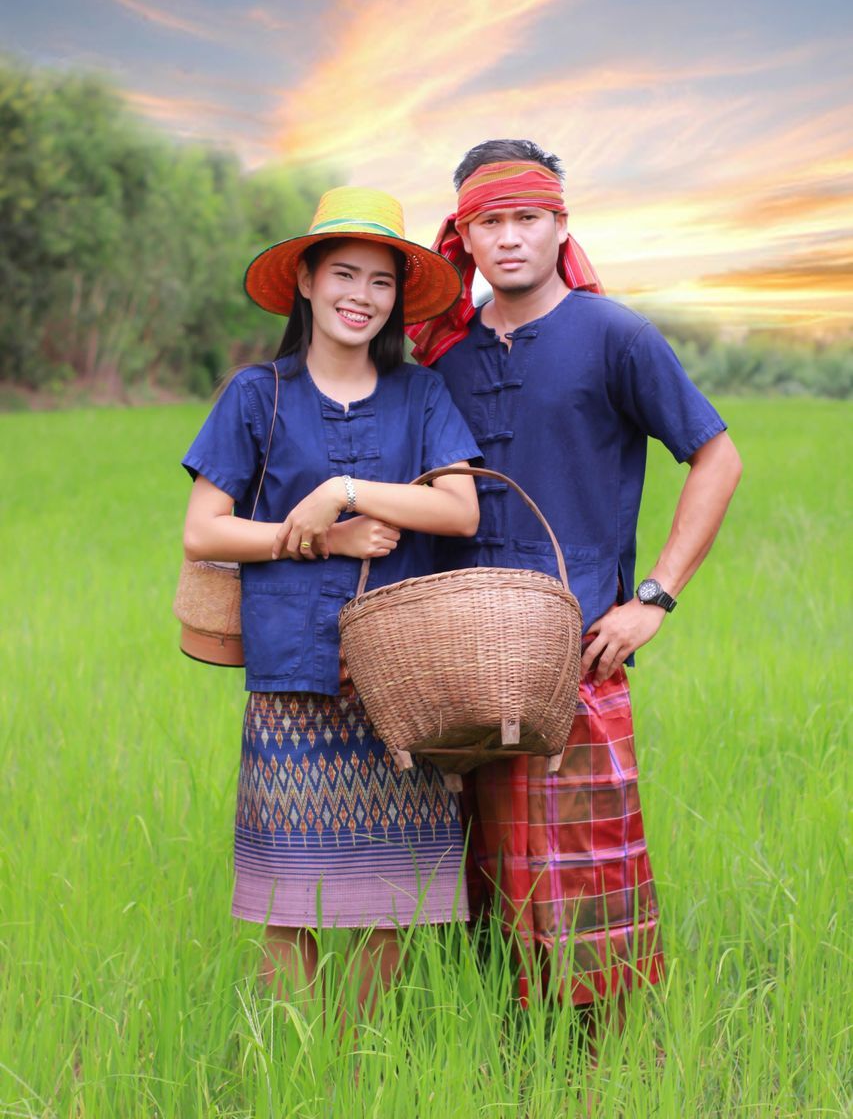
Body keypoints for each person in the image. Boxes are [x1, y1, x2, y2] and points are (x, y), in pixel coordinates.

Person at [408, 140, 742, 1031]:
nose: (509, 237)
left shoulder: (615, 335)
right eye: (490, 222)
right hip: (456, 661)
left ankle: (595, 1075)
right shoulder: (441, 357)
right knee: (473, 879)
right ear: (463, 235)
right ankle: (493, 1055)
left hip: (579, 654)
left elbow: (716, 455)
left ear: (560, 224)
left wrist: (655, 597)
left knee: (585, 883)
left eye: (527, 218)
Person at [181, 186, 480, 1007]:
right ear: (306, 281)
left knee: (387, 903)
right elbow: (204, 531)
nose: (361, 296)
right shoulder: (257, 394)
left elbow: (459, 509)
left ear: (397, 299)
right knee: (288, 897)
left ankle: (358, 1071)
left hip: (398, 682)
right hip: (289, 676)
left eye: (381, 282)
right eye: (343, 274)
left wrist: (349, 488)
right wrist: (312, 534)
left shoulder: (421, 395)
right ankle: (300, 1070)